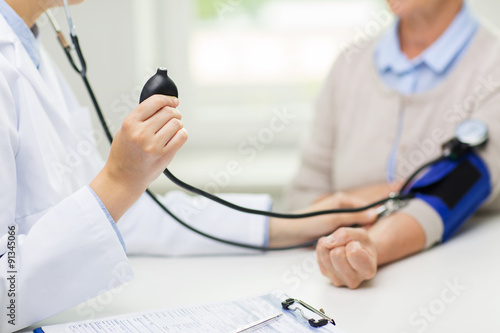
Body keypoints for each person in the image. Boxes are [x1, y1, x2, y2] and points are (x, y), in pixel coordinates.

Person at [0, 0, 377, 331]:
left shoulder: (30, 50)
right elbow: (6, 292)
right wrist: (120, 178)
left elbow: (118, 216)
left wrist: (287, 224)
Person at [284, 0, 500, 289]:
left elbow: (457, 187)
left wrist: (370, 244)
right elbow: (300, 202)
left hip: (454, 293)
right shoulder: (349, 65)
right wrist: (374, 203)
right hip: (338, 300)